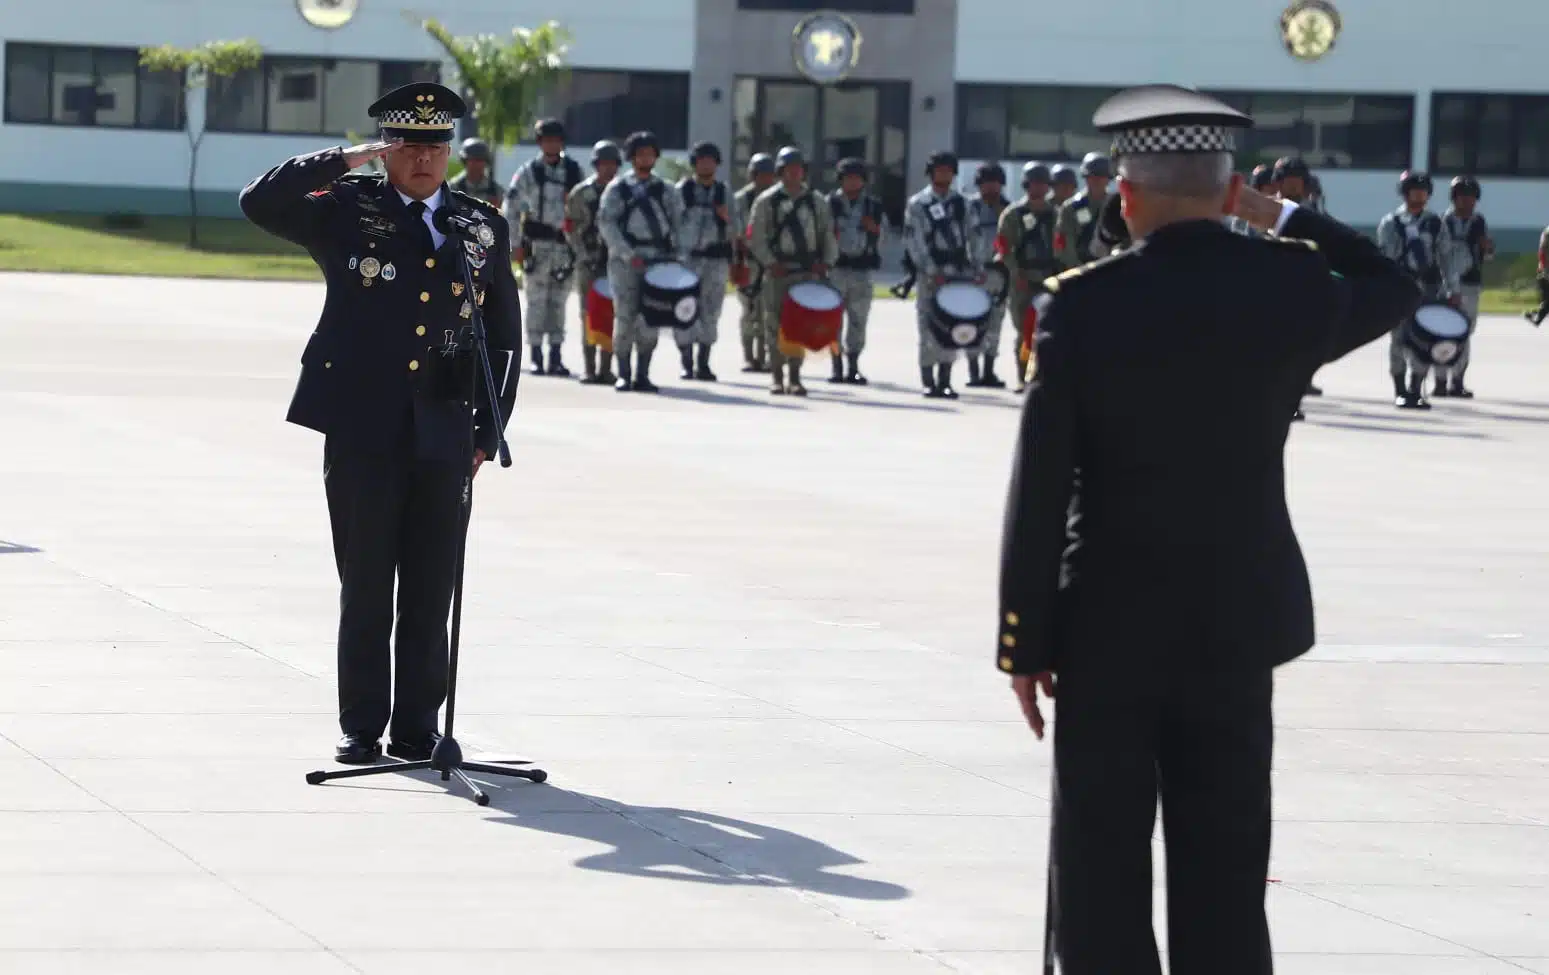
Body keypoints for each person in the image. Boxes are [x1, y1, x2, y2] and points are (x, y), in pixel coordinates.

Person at [996, 85, 1420, 975]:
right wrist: (1285, 216)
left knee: (1098, 862)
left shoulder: (1082, 303)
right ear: (1233, 196)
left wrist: (1023, 640)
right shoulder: (1292, 284)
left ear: (1123, 195)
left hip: (1106, 621)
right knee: (1224, 861)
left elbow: (1041, 485)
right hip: (1235, 617)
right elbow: (1392, 283)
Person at [238, 82, 522, 766]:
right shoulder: (344, 209)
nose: (423, 158)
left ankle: (418, 730)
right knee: (366, 581)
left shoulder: (479, 225)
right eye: (407, 144)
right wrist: (348, 159)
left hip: (444, 428)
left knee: (430, 589)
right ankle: (362, 726)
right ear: (387, 150)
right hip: (363, 422)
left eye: (435, 145)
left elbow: (504, 334)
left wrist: (488, 430)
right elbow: (259, 201)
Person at [596, 131, 685, 393]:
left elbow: (679, 225)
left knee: (651, 318)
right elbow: (606, 223)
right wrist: (626, 253)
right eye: (640, 153)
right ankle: (623, 372)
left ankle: (643, 373)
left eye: (650, 153)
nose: (645, 158)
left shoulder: (667, 190)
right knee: (624, 316)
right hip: (625, 262)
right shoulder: (618, 189)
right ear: (632, 157)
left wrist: (676, 257)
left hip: (657, 260)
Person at [747, 145, 836, 396]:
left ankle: (795, 377)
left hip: (806, 271)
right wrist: (769, 262)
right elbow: (756, 237)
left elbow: (827, 235)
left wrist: (826, 262)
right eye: (789, 169)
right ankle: (776, 377)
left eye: (798, 169)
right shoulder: (766, 201)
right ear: (780, 171)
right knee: (773, 325)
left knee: (799, 327)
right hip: (777, 272)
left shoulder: (816, 201)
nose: (794, 173)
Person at [1377, 170, 1463, 409]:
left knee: (1424, 339)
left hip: (1428, 289)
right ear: (1405, 193)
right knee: (1398, 340)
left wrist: (1453, 289)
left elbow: (1446, 258)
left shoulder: (1436, 223)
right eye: (1414, 190)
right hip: (1399, 287)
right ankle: (1400, 389)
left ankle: (1416, 387)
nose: (1419, 195)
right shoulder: (1391, 223)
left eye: (1423, 191)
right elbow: (1385, 257)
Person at [505, 118, 583, 377]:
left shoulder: (573, 171)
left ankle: (556, 356)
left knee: (559, 303)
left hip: (563, 247)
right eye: (547, 140)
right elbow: (512, 207)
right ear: (540, 143)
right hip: (536, 246)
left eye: (556, 140)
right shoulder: (529, 172)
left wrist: (579, 244)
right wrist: (514, 244)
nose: (552, 144)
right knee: (536, 302)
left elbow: (584, 208)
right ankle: (537, 355)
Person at [905, 150, 976, 398]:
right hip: (930, 274)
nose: (943, 174)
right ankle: (928, 379)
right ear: (930, 173)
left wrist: (976, 268)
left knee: (951, 326)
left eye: (948, 170)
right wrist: (930, 270)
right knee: (927, 326)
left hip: (957, 273)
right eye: (939, 170)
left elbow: (972, 237)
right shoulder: (918, 204)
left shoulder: (962, 204)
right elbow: (914, 241)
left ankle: (945, 378)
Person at [997, 164, 1060, 392]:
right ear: (1027, 184)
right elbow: (1004, 248)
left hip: (1048, 279)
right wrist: (1016, 273)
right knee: (1025, 332)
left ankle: (1042, 376)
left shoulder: (1055, 215)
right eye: (1035, 182)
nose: (1040, 187)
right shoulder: (1013, 214)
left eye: (1044, 183)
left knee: (1048, 332)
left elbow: (1061, 246)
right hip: (1022, 281)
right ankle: (1023, 377)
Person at [564, 140, 622, 386]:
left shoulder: (622, 192)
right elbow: (570, 228)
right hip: (588, 263)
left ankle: (606, 368)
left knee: (612, 314)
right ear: (596, 165)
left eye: (612, 164)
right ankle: (589, 368)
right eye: (603, 164)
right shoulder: (581, 193)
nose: (607, 169)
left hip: (615, 263)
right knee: (588, 314)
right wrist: (582, 254)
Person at [675, 141, 733, 382]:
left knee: (711, 311)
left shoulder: (724, 193)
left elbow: (737, 229)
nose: (706, 165)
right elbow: (671, 224)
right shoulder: (682, 191)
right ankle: (686, 361)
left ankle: (704, 362)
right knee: (685, 309)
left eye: (710, 160)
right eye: (701, 161)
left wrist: (726, 219)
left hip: (715, 261)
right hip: (687, 260)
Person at [1272, 155, 1325, 406]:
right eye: (1288, 181)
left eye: (1297, 181)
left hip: (1304, 288)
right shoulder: (1264, 210)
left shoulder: (1314, 214)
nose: (1293, 186)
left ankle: (1294, 401)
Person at [827, 156, 883, 384]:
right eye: (848, 178)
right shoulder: (829, 203)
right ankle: (836, 365)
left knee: (858, 320)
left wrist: (875, 231)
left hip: (862, 269)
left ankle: (854, 365)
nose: (852, 182)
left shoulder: (872, 206)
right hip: (836, 269)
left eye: (856, 178)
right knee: (832, 321)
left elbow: (884, 235)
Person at [1438, 175, 1491, 398]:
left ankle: (1457, 380)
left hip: (1470, 282)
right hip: (1446, 283)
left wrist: (1487, 248)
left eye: (1471, 198)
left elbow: (1486, 255)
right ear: (1454, 198)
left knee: (1464, 332)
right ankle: (1440, 380)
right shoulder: (1443, 222)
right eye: (1462, 198)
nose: (1467, 202)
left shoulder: (1479, 222)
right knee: (1442, 332)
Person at [966, 161, 1012, 388]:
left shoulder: (1009, 211)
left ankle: (989, 371)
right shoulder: (967, 209)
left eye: (995, 183)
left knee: (995, 323)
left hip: (999, 275)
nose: (991, 188)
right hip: (974, 273)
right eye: (986, 183)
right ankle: (973, 372)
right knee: (974, 322)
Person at [734, 154, 777, 372]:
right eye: (762, 175)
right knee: (750, 311)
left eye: (770, 175)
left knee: (769, 311)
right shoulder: (741, 200)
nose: (766, 179)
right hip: (749, 262)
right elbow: (736, 231)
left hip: (772, 263)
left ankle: (766, 355)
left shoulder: (777, 199)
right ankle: (750, 357)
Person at [1055, 152, 1113, 269]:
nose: (1096, 180)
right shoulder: (1070, 208)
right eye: (1092, 176)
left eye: (1101, 176)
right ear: (1085, 177)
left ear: (1108, 179)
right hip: (1078, 270)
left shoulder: (1115, 205)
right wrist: (1078, 268)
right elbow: (1063, 244)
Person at [448, 138, 501, 207]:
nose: (476, 164)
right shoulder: (452, 188)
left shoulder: (495, 191)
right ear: (465, 160)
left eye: (479, 160)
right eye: (472, 160)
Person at [1529, 224, 1549, 327]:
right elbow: (1542, 252)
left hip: (1544, 270)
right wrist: (1544, 269)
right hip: (1546, 271)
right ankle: (1536, 316)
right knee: (1547, 299)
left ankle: (1536, 316)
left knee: (1547, 300)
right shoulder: (1547, 232)